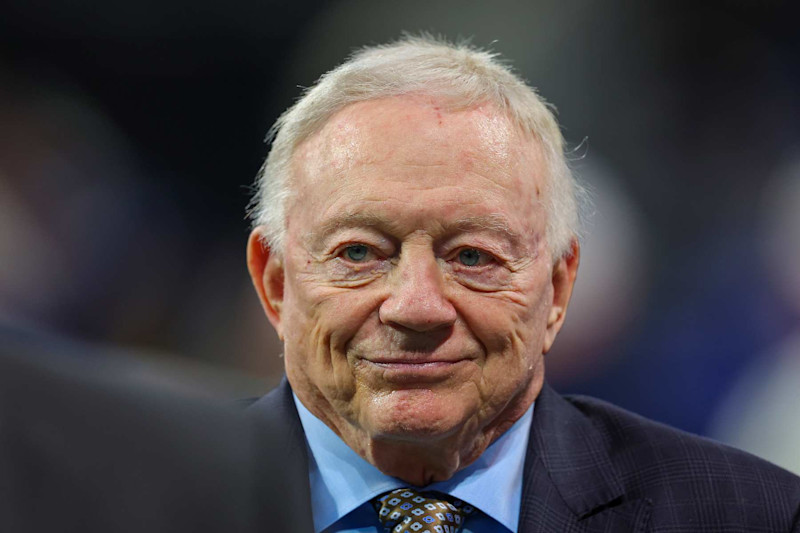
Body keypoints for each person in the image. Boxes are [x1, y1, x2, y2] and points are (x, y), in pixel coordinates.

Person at [245, 36, 800, 533]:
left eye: (472, 256)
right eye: (359, 252)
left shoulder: (750, 516)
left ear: (557, 291)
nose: (416, 307)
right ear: (275, 283)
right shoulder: (163, 497)